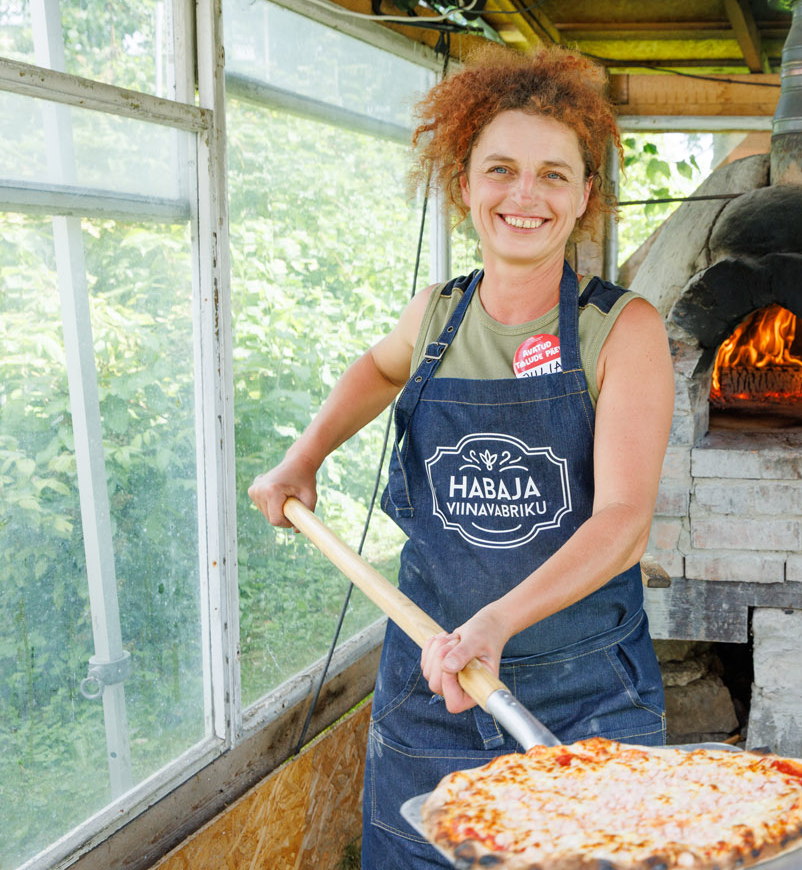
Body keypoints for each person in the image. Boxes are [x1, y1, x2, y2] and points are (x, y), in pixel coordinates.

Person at [247, 46, 674, 868]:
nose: (525, 195)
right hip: (432, 686)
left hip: (585, 691)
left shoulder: (621, 330)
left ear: (585, 195)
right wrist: (306, 456)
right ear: (464, 184)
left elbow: (623, 522)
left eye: (554, 175)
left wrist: (496, 624)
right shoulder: (435, 317)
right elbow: (378, 369)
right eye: (501, 169)